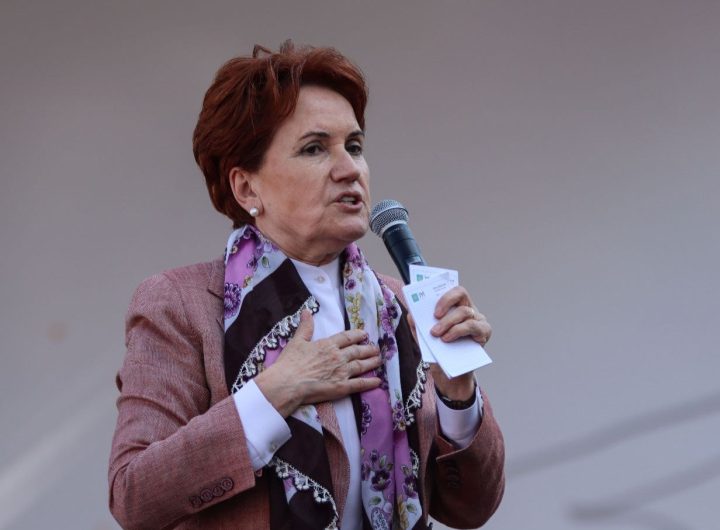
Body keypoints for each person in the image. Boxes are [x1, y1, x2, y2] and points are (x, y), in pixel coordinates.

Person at [108, 41, 504, 530]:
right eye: (315, 148)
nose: (349, 169)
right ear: (246, 188)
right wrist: (273, 393)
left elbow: (472, 508)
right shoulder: (180, 305)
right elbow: (135, 496)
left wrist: (457, 393)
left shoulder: (400, 306)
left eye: (354, 146)